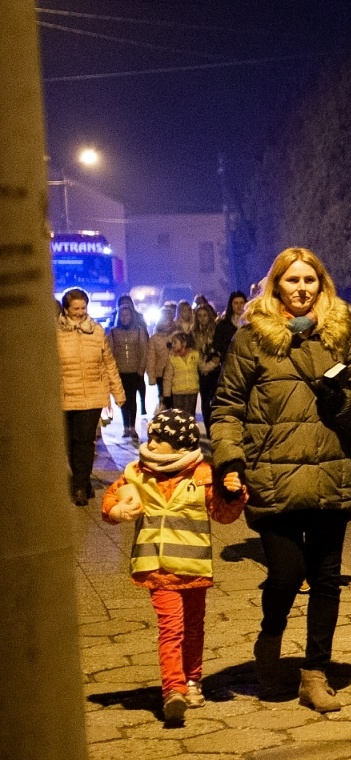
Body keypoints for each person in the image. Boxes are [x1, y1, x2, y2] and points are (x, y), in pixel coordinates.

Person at [211, 247, 351, 714]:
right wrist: (230, 461)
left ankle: (315, 674)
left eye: (309, 280)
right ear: (276, 285)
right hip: (273, 475)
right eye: (292, 280)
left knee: (325, 579)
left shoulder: (340, 333)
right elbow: (227, 407)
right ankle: (270, 641)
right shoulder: (251, 338)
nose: (301, 289)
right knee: (286, 572)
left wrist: (343, 401)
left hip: (330, 472)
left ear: (321, 284)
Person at [101, 410, 246, 723]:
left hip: (193, 567)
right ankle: (173, 690)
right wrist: (115, 511)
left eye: (159, 438)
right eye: (151, 436)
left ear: (179, 444)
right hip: (157, 567)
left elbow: (222, 514)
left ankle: (193, 680)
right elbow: (112, 499)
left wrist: (234, 493)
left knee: (193, 628)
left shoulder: (203, 474)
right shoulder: (137, 472)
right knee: (171, 628)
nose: (151, 443)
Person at [57, 287, 125, 506]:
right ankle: (83, 480)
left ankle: (79, 487)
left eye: (83, 308)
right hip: (65, 395)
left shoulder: (96, 331)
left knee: (85, 441)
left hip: (92, 395)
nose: (80, 312)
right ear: (66, 309)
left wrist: (118, 393)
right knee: (70, 442)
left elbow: (109, 363)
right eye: (75, 308)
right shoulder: (55, 332)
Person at [107, 295, 151, 439]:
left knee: (132, 399)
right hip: (120, 372)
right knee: (123, 400)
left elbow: (144, 350)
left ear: (132, 316)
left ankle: (132, 427)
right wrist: (112, 371)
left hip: (134, 371)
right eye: (122, 315)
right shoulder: (113, 332)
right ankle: (126, 427)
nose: (125, 318)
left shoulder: (139, 330)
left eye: (127, 315)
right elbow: (110, 352)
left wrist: (141, 370)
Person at [192, 301, 222, 426]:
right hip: (201, 368)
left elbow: (219, 348)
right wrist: (202, 366)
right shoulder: (194, 332)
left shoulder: (216, 330)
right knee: (205, 399)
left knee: (215, 398)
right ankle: (208, 426)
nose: (202, 318)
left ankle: (216, 425)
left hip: (215, 368)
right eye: (199, 316)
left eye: (204, 315)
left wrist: (211, 364)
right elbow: (194, 351)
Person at [162, 332, 201, 418]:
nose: (173, 345)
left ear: (184, 343)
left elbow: (202, 367)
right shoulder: (172, 358)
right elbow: (167, 377)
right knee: (179, 417)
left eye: (175, 342)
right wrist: (166, 395)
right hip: (178, 392)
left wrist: (213, 363)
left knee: (190, 416)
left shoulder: (195, 355)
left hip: (192, 391)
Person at [147, 302, 178, 407]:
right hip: (160, 373)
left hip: (176, 371)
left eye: (169, 320)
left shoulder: (177, 335)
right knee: (164, 397)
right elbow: (151, 358)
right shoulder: (154, 338)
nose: (167, 323)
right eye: (165, 320)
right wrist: (151, 377)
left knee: (175, 398)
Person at [214, 290, 248, 361]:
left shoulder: (251, 323)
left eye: (241, 303)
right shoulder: (223, 325)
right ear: (231, 305)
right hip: (229, 361)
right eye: (236, 303)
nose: (239, 306)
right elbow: (217, 345)